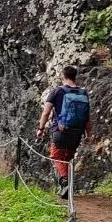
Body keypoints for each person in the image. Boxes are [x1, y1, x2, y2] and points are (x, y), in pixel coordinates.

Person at [36, 66, 91, 198]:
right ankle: (67, 187)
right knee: (68, 158)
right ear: (75, 77)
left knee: (57, 156)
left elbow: (46, 113)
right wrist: (89, 134)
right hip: (77, 132)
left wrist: (41, 129)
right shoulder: (83, 93)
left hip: (60, 131)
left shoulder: (57, 91)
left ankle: (65, 182)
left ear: (62, 76)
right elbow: (88, 117)